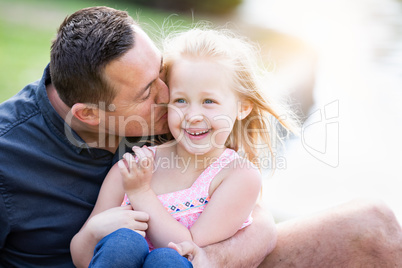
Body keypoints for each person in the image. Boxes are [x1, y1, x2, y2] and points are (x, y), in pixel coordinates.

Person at [0, 5, 401, 268]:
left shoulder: (180, 118)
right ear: (90, 114)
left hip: (187, 258)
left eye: (162, 72)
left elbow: (255, 217)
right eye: (148, 93)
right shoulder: (8, 157)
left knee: (373, 226)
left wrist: (210, 257)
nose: (170, 97)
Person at [71, 27, 293, 267]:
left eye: (209, 101)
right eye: (181, 101)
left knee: (168, 259)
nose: (193, 115)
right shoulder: (133, 169)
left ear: (243, 107)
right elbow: (82, 257)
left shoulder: (238, 176)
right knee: (124, 242)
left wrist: (140, 194)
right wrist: (95, 230)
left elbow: (187, 248)